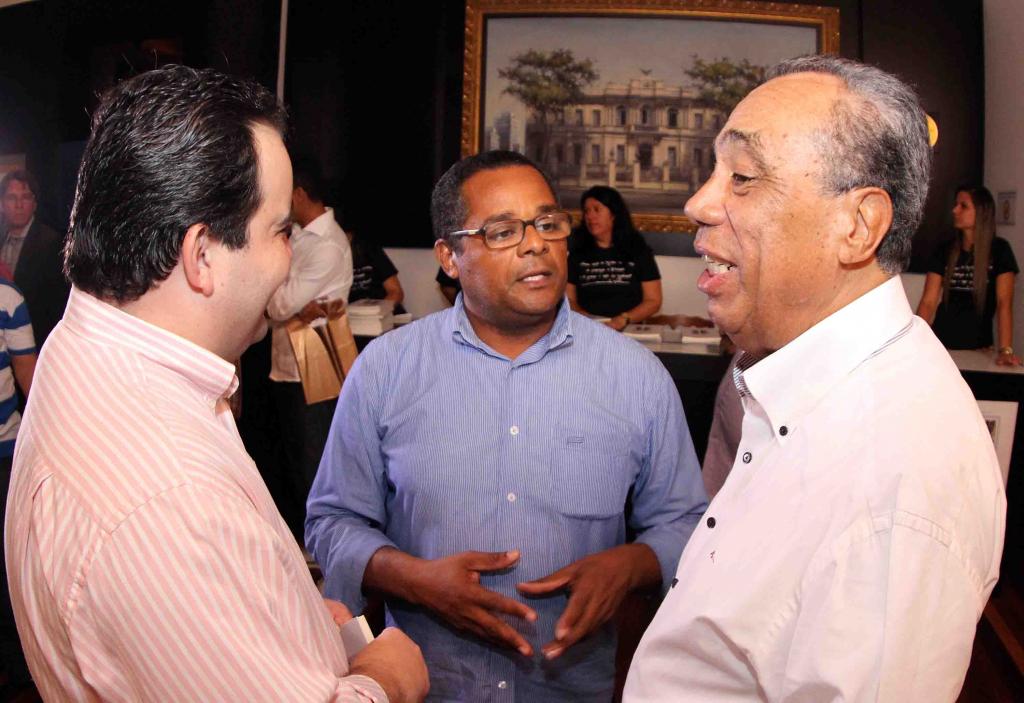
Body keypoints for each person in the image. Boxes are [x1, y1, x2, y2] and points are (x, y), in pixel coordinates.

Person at [4, 65, 427, 702]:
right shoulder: (166, 497)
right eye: (280, 232)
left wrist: (292, 620)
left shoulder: (92, 343)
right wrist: (385, 678)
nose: (289, 255)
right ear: (201, 255)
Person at [624, 56, 1005, 702]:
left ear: (857, 226)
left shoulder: (895, 489)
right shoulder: (797, 383)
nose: (698, 203)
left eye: (743, 176)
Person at [306, 150, 708, 701]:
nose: (535, 243)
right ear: (450, 257)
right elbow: (333, 520)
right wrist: (413, 580)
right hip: (427, 685)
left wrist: (633, 563)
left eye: (548, 223)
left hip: (568, 687)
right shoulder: (386, 370)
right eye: (502, 231)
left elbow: (685, 522)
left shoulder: (637, 377)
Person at [265, 158, 353, 540]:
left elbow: (279, 304)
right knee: (292, 456)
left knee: (312, 458)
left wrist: (278, 298)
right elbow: (285, 302)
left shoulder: (327, 245)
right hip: (286, 363)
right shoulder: (298, 236)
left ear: (299, 194)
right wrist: (286, 302)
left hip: (313, 363)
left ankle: (321, 542)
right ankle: (303, 538)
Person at [916, 185, 1020, 365]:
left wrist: (1005, 350)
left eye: (963, 206)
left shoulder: (1000, 250)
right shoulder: (945, 249)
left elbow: (1004, 303)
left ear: (981, 212)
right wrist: (916, 340)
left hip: (979, 348)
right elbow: (928, 301)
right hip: (941, 344)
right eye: (956, 205)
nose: (955, 210)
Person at [0, 278, 36, 696]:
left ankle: (18, 663)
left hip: (6, 453)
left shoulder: (8, 300)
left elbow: (30, 378)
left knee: (9, 565)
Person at [566, 186, 661, 331]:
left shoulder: (638, 250)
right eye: (586, 211)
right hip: (588, 330)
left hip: (628, 330)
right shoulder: (577, 252)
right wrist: (584, 318)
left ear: (613, 214)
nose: (590, 216)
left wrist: (624, 319)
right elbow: (569, 299)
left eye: (597, 209)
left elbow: (653, 301)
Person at [0, 170, 70, 348]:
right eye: (12, 198)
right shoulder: (1, 238)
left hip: (36, 342)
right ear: (1, 204)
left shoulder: (52, 243)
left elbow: (57, 307)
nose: (19, 205)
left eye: (25, 197)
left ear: (34, 204)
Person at [346, 223, 406, 313]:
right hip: (353, 316)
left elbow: (396, 292)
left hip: (383, 313)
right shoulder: (329, 257)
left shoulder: (368, 247)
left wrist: (374, 313)